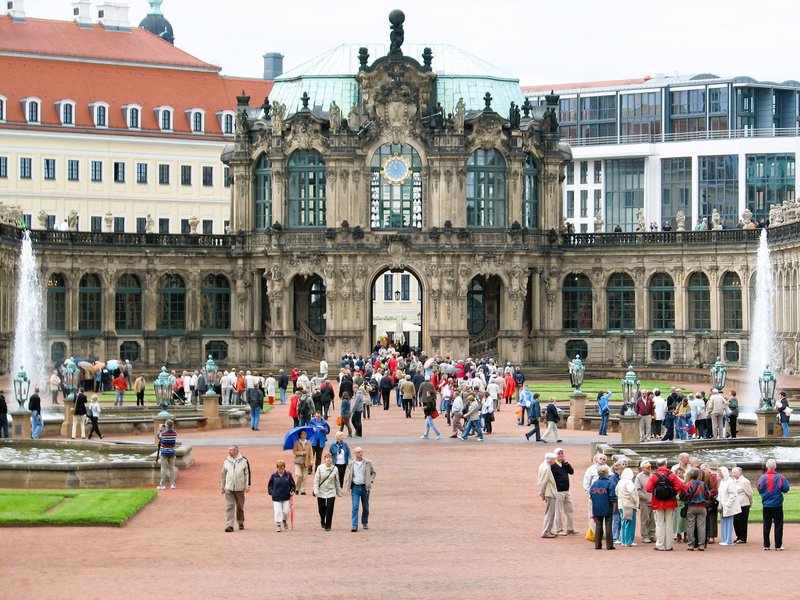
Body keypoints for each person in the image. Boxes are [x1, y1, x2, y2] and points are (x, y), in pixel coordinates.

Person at [644, 458, 684, 551]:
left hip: (657, 502)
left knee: (659, 524)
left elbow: (648, 488)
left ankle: (660, 545)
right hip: (670, 502)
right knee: (669, 524)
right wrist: (672, 491)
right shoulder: (671, 475)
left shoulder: (654, 476)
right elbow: (680, 486)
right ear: (666, 464)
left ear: (657, 465)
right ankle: (668, 545)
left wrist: (656, 490)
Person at [756, 458, 790, 550]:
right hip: (777, 504)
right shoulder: (780, 477)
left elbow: (759, 488)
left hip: (766, 504)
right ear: (775, 467)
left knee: (766, 525)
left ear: (767, 467)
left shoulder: (762, 478)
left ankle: (766, 545)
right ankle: (778, 545)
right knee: (778, 525)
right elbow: (786, 488)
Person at [344, 446, 376, 532]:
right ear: (355, 454)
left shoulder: (368, 463)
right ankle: (354, 525)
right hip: (355, 487)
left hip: (365, 487)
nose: (360, 453)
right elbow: (350, 473)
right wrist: (348, 482)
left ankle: (364, 522)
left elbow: (373, 472)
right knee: (355, 506)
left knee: (365, 507)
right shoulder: (351, 463)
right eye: (358, 452)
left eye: (361, 451)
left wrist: (370, 480)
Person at [220, 445, 251, 532]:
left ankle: (240, 521)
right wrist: (222, 486)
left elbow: (247, 473)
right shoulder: (226, 461)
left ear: (236, 451)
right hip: (229, 487)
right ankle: (229, 525)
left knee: (240, 506)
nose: (229, 452)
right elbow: (223, 474)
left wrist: (248, 485)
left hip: (240, 488)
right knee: (230, 505)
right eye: (228, 450)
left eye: (231, 450)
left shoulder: (244, 460)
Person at [314, 452, 343, 531]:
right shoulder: (320, 468)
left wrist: (339, 491)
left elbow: (337, 481)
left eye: (330, 458)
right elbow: (316, 480)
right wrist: (316, 490)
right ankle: (322, 519)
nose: (328, 459)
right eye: (327, 458)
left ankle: (328, 525)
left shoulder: (335, 469)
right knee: (321, 509)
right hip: (321, 491)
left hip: (331, 491)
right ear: (324, 459)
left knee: (329, 509)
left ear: (332, 459)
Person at [590, 465, 616, 550]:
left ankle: (597, 544)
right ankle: (609, 545)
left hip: (597, 506)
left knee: (598, 525)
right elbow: (612, 496)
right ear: (606, 473)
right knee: (608, 525)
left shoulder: (595, 483)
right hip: (607, 506)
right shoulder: (609, 483)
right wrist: (614, 506)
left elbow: (591, 494)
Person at [551, 447, 577, 535]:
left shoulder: (564, 464)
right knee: (558, 511)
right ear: (555, 455)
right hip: (558, 491)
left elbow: (571, 472)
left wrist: (566, 463)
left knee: (569, 510)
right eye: (559, 454)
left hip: (566, 490)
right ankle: (559, 529)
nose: (561, 455)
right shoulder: (553, 465)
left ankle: (570, 528)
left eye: (562, 453)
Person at [682, 467, 709, 550]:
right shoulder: (703, 484)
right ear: (698, 475)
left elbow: (683, 495)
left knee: (690, 526)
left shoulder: (688, 484)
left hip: (691, 506)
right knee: (701, 527)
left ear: (691, 475)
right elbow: (707, 495)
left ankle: (691, 545)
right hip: (702, 507)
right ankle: (701, 545)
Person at [268, 460, 295, 532]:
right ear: (277, 468)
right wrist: (272, 492)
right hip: (276, 497)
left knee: (286, 511)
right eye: (279, 468)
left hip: (286, 496)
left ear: (284, 467)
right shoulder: (274, 475)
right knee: (278, 511)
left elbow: (292, 484)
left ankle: (284, 520)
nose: (280, 470)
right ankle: (278, 525)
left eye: (282, 468)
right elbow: (270, 485)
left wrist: (292, 491)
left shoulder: (288, 475)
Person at [717, 466, 741, 545]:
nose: (719, 474)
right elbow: (720, 493)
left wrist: (728, 504)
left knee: (729, 522)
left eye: (720, 472)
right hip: (722, 505)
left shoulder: (730, 481)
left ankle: (728, 540)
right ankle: (724, 539)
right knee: (723, 522)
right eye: (719, 472)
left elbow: (732, 494)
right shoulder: (722, 481)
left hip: (728, 506)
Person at [616, 467, 639, 546]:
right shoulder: (629, 482)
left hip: (621, 504)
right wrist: (635, 501)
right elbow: (631, 492)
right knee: (630, 523)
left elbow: (616, 491)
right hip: (629, 504)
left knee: (623, 522)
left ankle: (623, 540)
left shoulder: (620, 481)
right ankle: (629, 541)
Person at [537, 452, 558, 538]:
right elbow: (542, 482)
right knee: (550, 513)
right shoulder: (546, 468)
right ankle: (546, 531)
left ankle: (548, 530)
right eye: (553, 459)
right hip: (550, 493)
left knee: (551, 513)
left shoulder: (544, 465)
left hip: (550, 492)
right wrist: (541, 493)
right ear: (550, 460)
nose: (554, 460)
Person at [635, 460, 655, 543]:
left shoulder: (652, 475)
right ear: (642, 468)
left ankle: (652, 534)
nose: (649, 468)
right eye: (647, 467)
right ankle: (645, 535)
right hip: (644, 501)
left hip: (653, 500)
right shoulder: (639, 477)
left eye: (650, 467)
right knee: (645, 519)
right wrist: (645, 497)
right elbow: (638, 490)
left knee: (653, 519)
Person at [732, 466, 753, 544]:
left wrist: (750, 502)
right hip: (735, 504)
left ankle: (743, 538)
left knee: (742, 521)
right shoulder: (733, 481)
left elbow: (750, 493)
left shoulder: (745, 481)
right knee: (736, 521)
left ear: (739, 473)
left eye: (735, 472)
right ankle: (738, 536)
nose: (733, 474)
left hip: (744, 504)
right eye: (732, 472)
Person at [157, 419, 178, 490]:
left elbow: (159, 436)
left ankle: (162, 484)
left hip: (164, 453)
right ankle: (172, 484)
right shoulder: (175, 433)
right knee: (171, 468)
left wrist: (160, 429)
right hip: (172, 452)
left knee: (163, 468)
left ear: (166, 425)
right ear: (173, 425)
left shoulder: (163, 434)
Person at [292, 429, 313, 495]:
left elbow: (311, 452)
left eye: (305, 433)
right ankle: (296, 488)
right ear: (300, 435)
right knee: (299, 475)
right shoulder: (296, 442)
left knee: (304, 476)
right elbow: (294, 452)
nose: (305, 435)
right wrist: (301, 453)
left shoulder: (308, 442)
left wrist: (311, 460)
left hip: (306, 462)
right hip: (298, 462)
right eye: (303, 433)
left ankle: (302, 490)